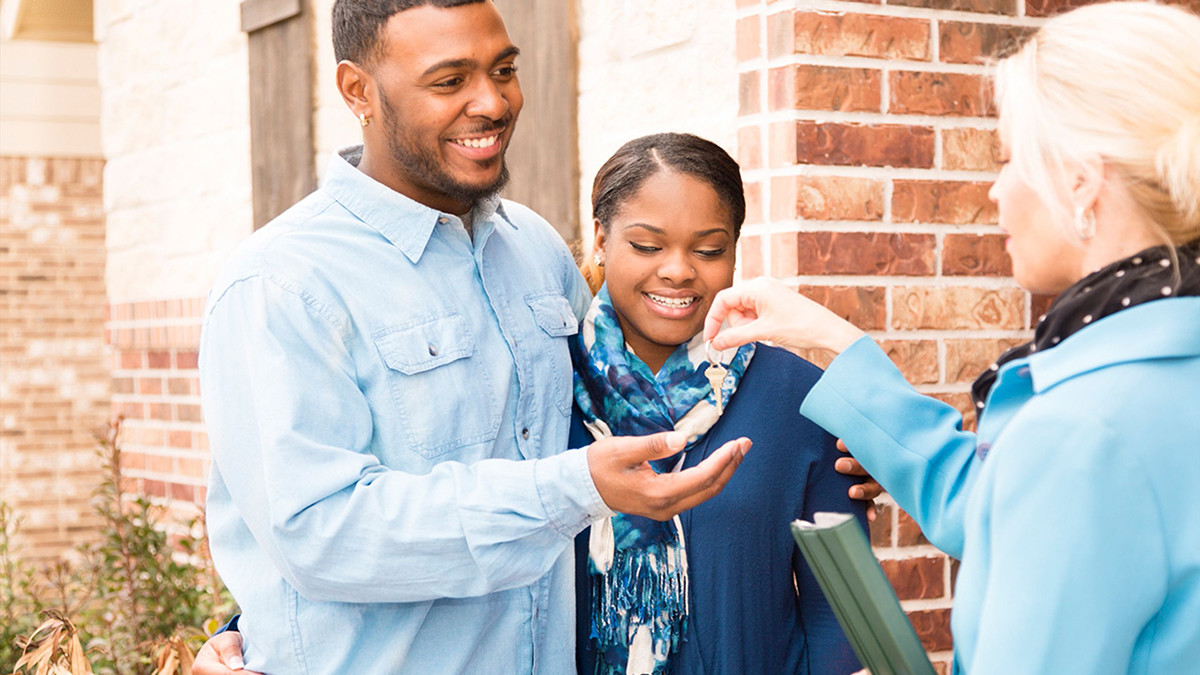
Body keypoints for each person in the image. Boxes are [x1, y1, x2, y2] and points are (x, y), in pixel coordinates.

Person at [197, 1, 752, 672]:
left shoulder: (537, 251)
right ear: (358, 91)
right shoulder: (280, 283)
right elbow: (319, 532)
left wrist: (824, 451)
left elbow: (625, 406)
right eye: (450, 80)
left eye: (504, 68)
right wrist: (569, 490)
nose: (492, 102)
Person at [705, 2, 1200, 672]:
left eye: (1007, 158)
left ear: (1080, 180)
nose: (995, 190)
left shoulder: (1082, 431)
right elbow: (996, 506)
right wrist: (830, 335)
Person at [569, 133, 864, 674]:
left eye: (708, 250)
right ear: (600, 239)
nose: (679, 270)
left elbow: (840, 620)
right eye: (647, 246)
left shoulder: (802, 398)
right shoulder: (548, 389)